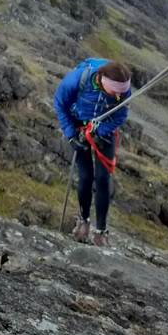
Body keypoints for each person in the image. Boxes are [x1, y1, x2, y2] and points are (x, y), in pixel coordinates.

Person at [54, 57, 132, 247]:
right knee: (86, 176)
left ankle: (101, 231)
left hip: (103, 128)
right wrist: (71, 135)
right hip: (79, 127)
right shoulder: (77, 79)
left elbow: (121, 114)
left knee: (103, 178)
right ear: (102, 80)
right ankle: (83, 220)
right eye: (114, 92)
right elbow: (60, 103)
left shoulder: (122, 89)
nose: (118, 96)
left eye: (121, 93)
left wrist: (101, 131)